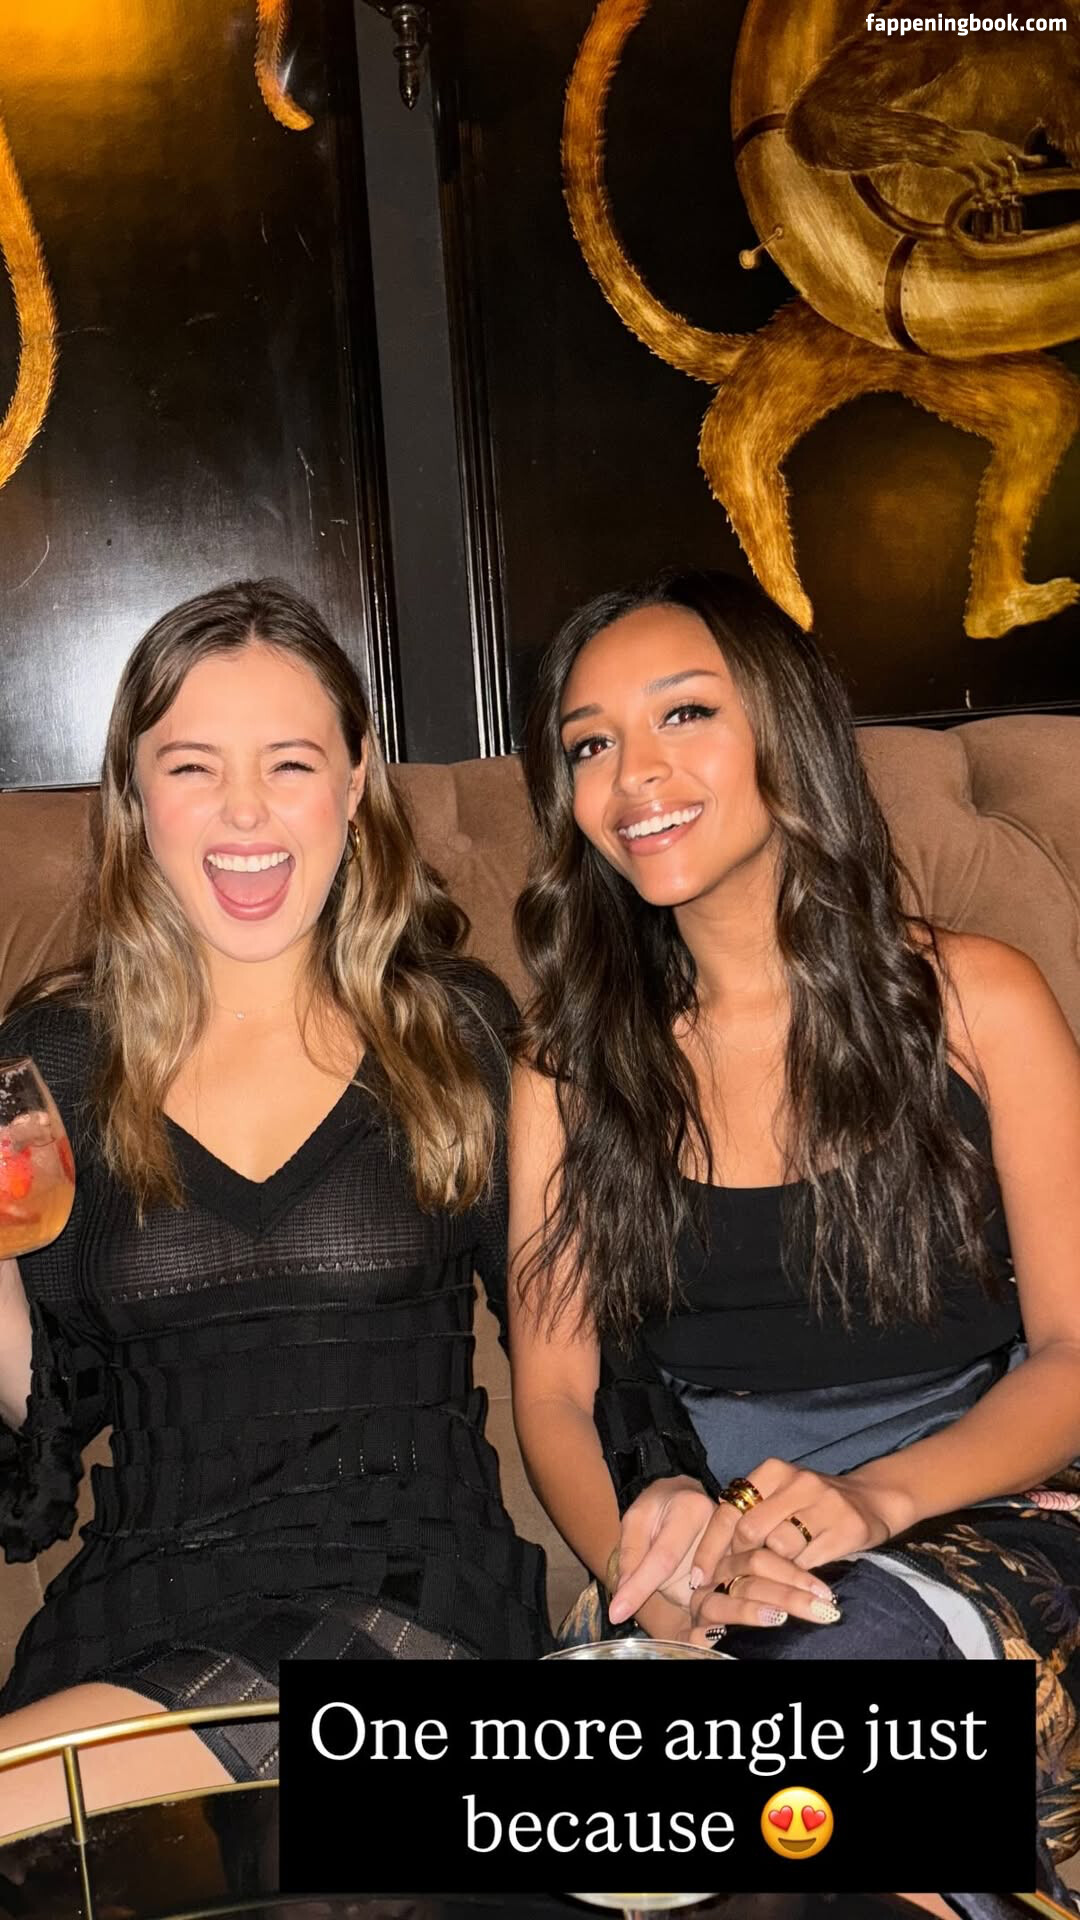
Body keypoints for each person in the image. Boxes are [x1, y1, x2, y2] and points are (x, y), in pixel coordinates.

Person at [508, 569, 1080, 1877]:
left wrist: (876, 1500)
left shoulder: (978, 1002)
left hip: (982, 1494)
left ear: (787, 731)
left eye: (685, 714)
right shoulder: (567, 1067)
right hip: (718, 1538)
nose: (633, 775)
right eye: (589, 745)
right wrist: (653, 1582)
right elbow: (552, 1395)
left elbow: (1072, 1354)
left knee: (823, 1682)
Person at [0, 579, 549, 1833]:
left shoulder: (454, 1034)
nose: (244, 811)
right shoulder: (54, 1062)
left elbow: (579, 1351)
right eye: (193, 766)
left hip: (411, 1611)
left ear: (355, 785)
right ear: (135, 798)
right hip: (136, 1611)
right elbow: (52, 1422)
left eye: (289, 763)